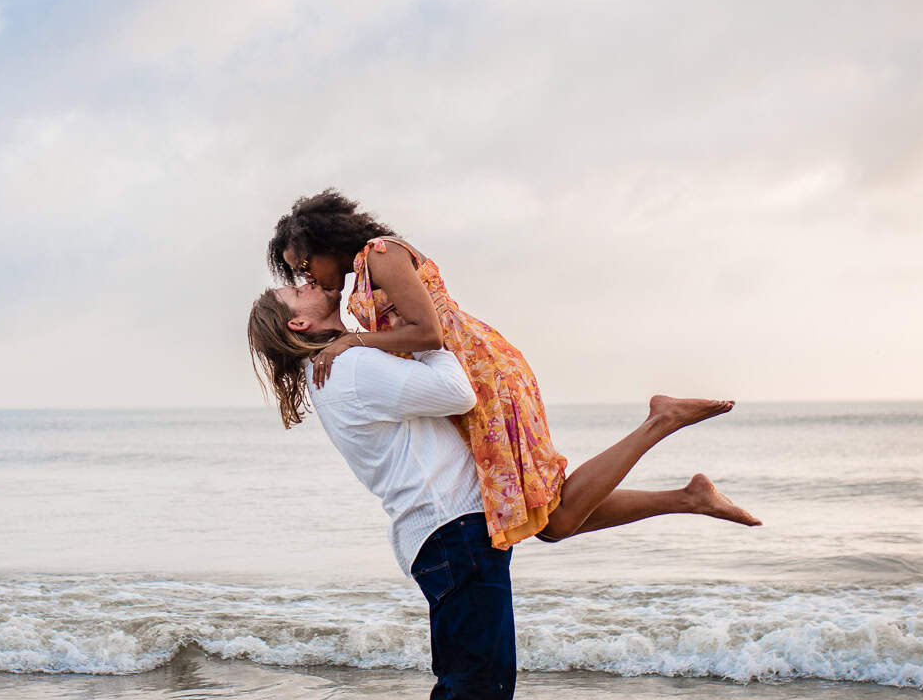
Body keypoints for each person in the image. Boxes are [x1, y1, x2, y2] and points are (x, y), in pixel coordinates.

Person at [246, 281, 760, 700]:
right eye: (295, 291)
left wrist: (371, 337)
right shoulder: (348, 367)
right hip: (453, 531)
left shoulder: (341, 365)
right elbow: (457, 390)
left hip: (446, 532)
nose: (308, 284)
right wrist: (420, 331)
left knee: (476, 660)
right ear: (298, 325)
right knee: (478, 685)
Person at [266, 189, 761, 551]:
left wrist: (356, 339)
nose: (306, 276)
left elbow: (429, 334)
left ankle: (663, 423)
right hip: (469, 374)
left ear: (325, 240)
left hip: (483, 374)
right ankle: (689, 495)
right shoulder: (364, 273)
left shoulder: (381, 254)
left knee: (554, 514)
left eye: (304, 263)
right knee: (549, 518)